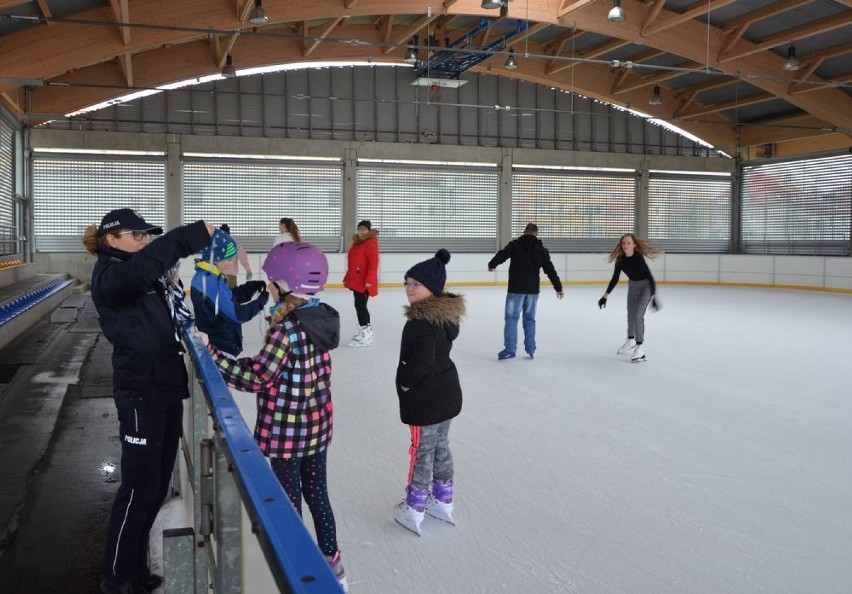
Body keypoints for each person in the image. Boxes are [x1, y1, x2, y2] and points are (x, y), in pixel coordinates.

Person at [83, 209, 214, 594]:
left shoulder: (142, 275)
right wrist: (185, 237)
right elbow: (144, 269)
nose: (144, 240)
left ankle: (134, 569)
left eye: (147, 235)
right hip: (141, 394)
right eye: (136, 235)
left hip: (165, 388)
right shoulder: (112, 276)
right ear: (112, 239)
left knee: (154, 489)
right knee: (139, 488)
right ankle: (116, 576)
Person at [206, 241, 348, 592]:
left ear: (283, 286)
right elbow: (274, 369)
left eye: (271, 282)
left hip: (288, 433)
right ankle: (333, 562)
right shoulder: (321, 318)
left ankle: (294, 564)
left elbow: (259, 378)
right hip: (317, 427)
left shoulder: (286, 330)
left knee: (288, 499)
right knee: (318, 493)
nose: (268, 287)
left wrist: (214, 357)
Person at [393, 249, 466, 536]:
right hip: (447, 393)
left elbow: (420, 362)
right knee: (440, 445)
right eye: (407, 283)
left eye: (416, 285)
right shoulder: (444, 319)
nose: (409, 289)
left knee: (421, 450)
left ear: (432, 290)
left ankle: (415, 505)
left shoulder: (420, 323)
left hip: (426, 398)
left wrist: (406, 384)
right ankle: (443, 498)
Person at [487, 222, 564, 360]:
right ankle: (531, 348)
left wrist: (491, 265)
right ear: (537, 233)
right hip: (533, 291)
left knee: (511, 318)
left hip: (516, 289)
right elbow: (550, 270)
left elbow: (502, 255)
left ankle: (510, 349)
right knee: (530, 319)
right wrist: (558, 288)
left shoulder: (515, 245)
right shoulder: (542, 250)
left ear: (524, 231)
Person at [190, 228, 269, 358]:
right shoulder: (211, 282)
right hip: (220, 347)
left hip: (218, 343)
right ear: (215, 258)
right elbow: (237, 315)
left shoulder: (207, 276)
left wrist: (250, 287)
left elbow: (228, 299)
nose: (231, 263)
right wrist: (260, 302)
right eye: (228, 259)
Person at [598, 233, 661, 363]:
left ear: (634, 245)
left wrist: (654, 296)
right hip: (633, 285)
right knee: (631, 314)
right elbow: (615, 278)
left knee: (638, 315)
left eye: (628, 243)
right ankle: (630, 340)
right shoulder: (620, 259)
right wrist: (605, 295)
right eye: (623, 243)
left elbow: (649, 276)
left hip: (646, 286)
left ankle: (640, 347)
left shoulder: (638, 257)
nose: (625, 245)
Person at [343, 219, 380, 347]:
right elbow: (353, 262)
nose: (361, 231)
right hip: (357, 279)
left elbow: (373, 263)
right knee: (360, 305)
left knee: (360, 305)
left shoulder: (370, 243)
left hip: (364, 282)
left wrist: (370, 280)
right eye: (359, 229)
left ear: (369, 231)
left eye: (364, 229)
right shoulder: (357, 243)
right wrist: (349, 275)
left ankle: (365, 335)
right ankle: (366, 332)